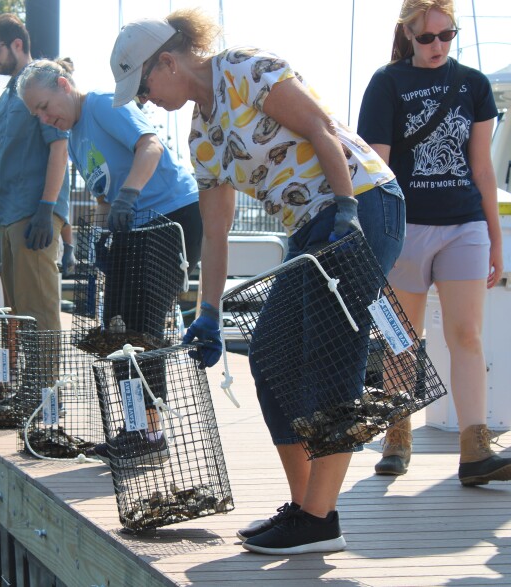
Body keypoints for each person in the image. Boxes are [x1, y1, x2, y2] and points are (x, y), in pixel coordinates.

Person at [111, 10, 405, 554]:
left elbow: (319, 127)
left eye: (144, 85)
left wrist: (345, 210)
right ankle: (306, 511)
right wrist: (208, 313)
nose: (144, 100)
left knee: (330, 356)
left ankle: (319, 518)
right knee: (269, 354)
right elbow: (216, 237)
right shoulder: (202, 136)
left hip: (362, 204)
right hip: (308, 227)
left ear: (168, 62)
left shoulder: (246, 68)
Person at [18, 57, 203, 464]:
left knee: (141, 331)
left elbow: (150, 145)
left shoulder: (101, 103)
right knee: (116, 331)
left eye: (45, 107)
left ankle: (152, 436)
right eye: (37, 115)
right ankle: (135, 427)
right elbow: (103, 194)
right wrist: (103, 239)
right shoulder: (75, 135)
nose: (45, 118)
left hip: (170, 216)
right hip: (130, 228)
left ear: (64, 85)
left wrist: (130, 195)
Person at [357, 0, 510, 485]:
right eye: (427, 38)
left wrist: (496, 241)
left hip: (465, 225)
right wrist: (374, 236)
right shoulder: (387, 82)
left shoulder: (475, 85)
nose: (438, 46)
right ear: (408, 34)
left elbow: (483, 169)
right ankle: (398, 434)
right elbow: (375, 169)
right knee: (403, 338)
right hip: (406, 228)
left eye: (448, 35)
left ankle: (475, 448)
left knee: (466, 335)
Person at [0, 13, 71, 331]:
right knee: (16, 314)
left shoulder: (41, 81)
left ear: (17, 44)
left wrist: (47, 209)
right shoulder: (6, 95)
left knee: (38, 310)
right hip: (8, 217)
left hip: (33, 215)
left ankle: (46, 382)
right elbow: (2, 165)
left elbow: (59, 147)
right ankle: (29, 381)